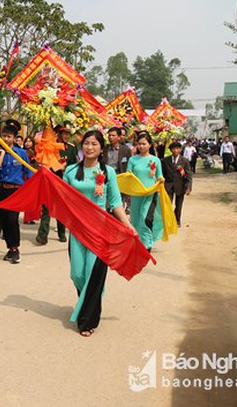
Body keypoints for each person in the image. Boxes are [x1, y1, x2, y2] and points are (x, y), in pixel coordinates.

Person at [63, 130, 136, 337]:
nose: (90, 147)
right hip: (77, 230)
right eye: (86, 143)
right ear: (81, 146)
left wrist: (128, 225)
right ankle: (87, 303)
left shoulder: (108, 173)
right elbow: (63, 198)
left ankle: (87, 320)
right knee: (77, 273)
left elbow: (114, 203)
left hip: (99, 230)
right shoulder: (70, 171)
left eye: (94, 144)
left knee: (93, 273)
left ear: (101, 148)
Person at [0, 120, 33, 264]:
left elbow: (28, 171)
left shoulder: (21, 153)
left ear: (14, 138)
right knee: (4, 220)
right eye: (4, 136)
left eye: (9, 136)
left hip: (16, 191)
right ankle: (10, 247)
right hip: (2, 189)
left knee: (12, 219)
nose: (6, 139)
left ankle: (15, 248)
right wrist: (2, 154)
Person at [36, 125, 75, 245]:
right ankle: (42, 235)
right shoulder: (49, 145)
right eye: (65, 134)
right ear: (58, 134)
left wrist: (65, 167)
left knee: (61, 208)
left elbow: (74, 164)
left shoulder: (71, 148)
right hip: (50, 181)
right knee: (46, 207)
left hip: (63, 182)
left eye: (69, 134)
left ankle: (62, 233)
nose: (67, 136)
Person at [127, 131, 165, 252]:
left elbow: (160, 176)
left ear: (150, 145)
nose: (141, 146)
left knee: (145, 217)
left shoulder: (155, 160)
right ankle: (138, 242)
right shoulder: (133, 160)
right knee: (136, 218)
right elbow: (128, 175)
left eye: (144, 144)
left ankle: (147, 244)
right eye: (139, 144)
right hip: (136, 194)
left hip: (150, 193)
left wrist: (160, 180)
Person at [161, 142, 193, 226]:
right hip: (168, 185)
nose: (175, 150)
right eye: (173, 149)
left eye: (177, 148)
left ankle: (177, 220)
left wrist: (188, 187)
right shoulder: (165, 160)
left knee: (178, 205)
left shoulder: (184, 161)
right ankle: (167, 220)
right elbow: (162, 173)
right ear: (171, 150)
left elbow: (189, 174)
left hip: (180, 185)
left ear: (180, 149)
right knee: (168, 203)